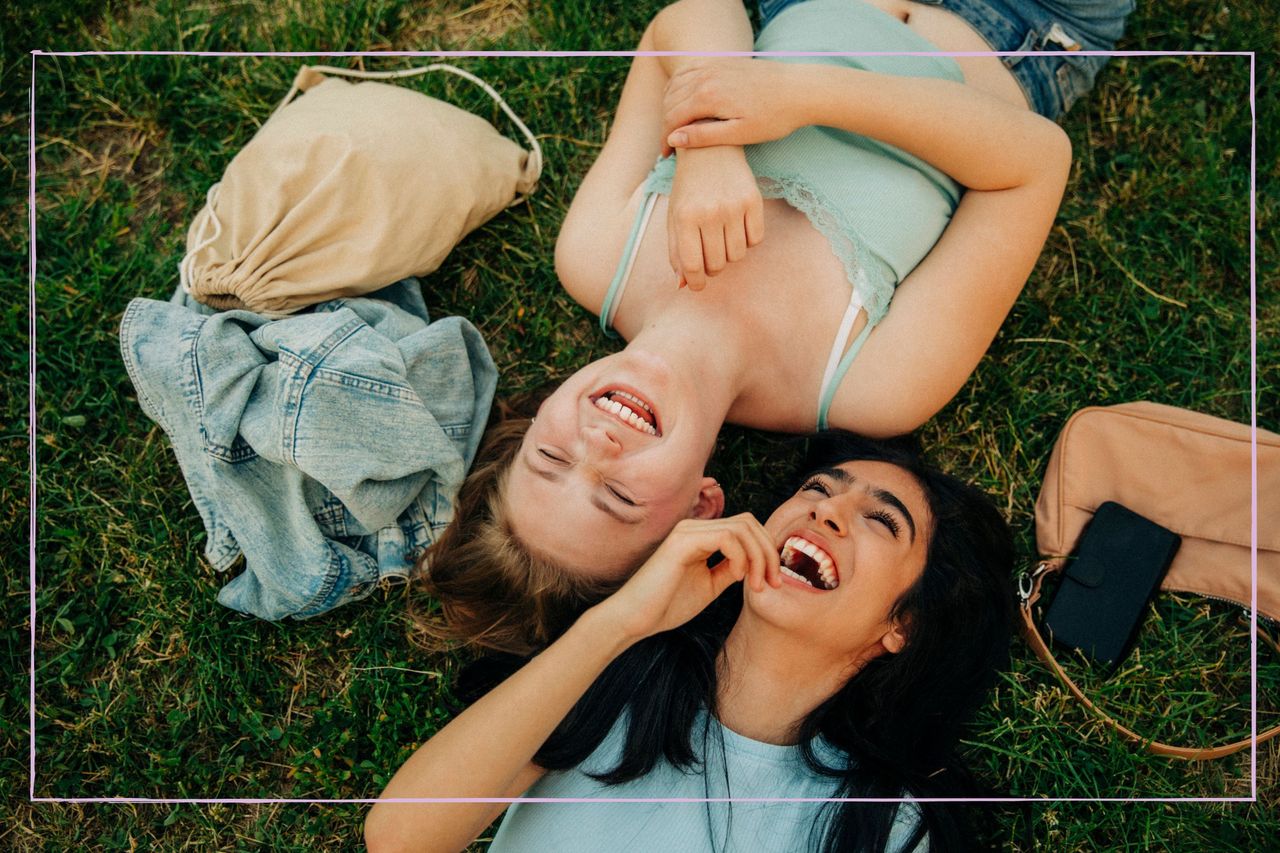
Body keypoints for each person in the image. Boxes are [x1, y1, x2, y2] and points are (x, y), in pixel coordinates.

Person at [414, 0, 1133, 654]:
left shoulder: (598, 254)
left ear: (539, 415)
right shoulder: (866, 390)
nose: (597, 447)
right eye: (618, 496)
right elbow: (1036, 161)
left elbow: (691, 18)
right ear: (702, 504)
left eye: (551, 460)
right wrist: (801, 97)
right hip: (1016, 30)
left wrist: (710, 147)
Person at [368, 431, 1017, 852]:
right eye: (816, 489)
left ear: (902, 624)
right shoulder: (617, 671)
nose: (824, 509)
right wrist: (620, 620)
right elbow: (400, 838)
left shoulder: (885, 826)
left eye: (880, 519)